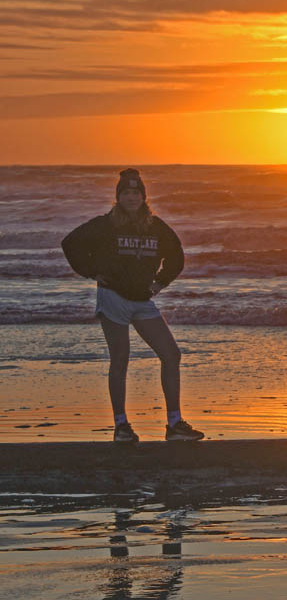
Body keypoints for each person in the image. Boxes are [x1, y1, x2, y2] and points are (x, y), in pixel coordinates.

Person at [62, 168, 204, 443]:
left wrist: (160, 283)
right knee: (120, 360)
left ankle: (174, 424)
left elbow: (176, 256)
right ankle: (121, 426)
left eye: (135, 193)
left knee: (171, 355)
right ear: (118, 197)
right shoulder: (105, 224)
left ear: (143, 197)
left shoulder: (155, 226)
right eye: (125, 193)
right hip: (113, 297)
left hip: (142, 300)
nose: (131, 197)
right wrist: (92, 271)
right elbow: (71, 243)